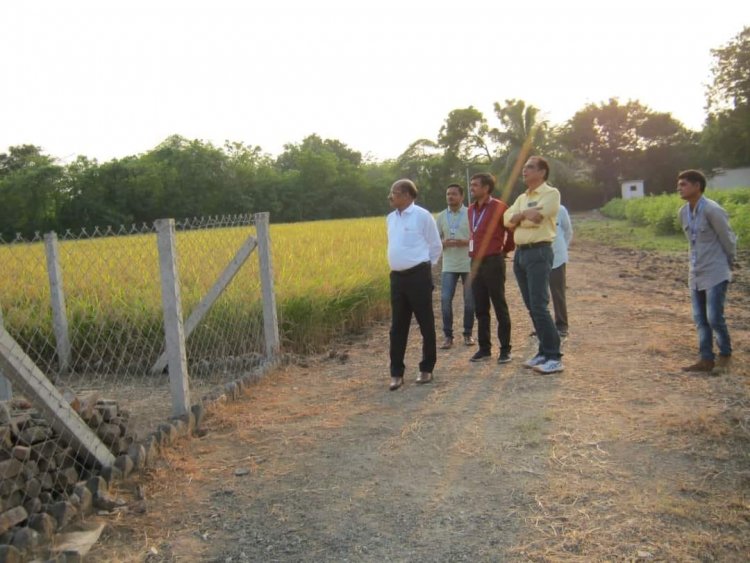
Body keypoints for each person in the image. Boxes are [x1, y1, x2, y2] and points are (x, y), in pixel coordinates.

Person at [504, 156, 564, 374]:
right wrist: (522, 215)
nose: (524, 170)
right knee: (532, 306)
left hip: (539, 251)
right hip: (520, 254)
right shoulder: (522, 198)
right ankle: (543, 351)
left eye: (530, 167)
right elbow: (506, 221)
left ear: (542, 172)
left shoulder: (551, 193)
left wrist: (520, 219)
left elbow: (538, 217)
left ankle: (554, 356)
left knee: (539, 305)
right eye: (524, 167)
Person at [677, 169, 736, 373]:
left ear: (697, 186)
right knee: (700, 319)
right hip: (696, 271)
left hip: (715, 271)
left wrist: (730, 261)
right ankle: (706, 359)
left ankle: (725, 354)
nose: (680, 188)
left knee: (714, 317)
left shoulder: (712, 210)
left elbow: (727, 238)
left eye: (684, 184)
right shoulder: (683, 212)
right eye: (679, 184)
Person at [386, 179, 443, 390]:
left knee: (425, 323)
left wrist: (426, 267)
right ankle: (396, 373)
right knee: (397, 327)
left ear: (408, 195)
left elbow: (435, 246)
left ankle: (426, 368)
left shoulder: (422, 216)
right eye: (391, 192)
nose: (390, 196)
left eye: (395, 192)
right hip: (397, 278)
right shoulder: (390, 218)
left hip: (418, 276)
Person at [467, 173, 515, 364]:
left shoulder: (500, 207)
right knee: (480, 307)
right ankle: (484, 348)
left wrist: (505, 250)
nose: (472, 188)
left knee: (499, 305)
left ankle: (505, 349)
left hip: (493, 261)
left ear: (486, 188)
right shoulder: (470, 210)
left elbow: (511, 232)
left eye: (475, 185)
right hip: (475, 263)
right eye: (471, 185)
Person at [435, 184, 476, 349]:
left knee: (469, 301)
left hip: (468, 263)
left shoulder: (470, 214)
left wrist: (464, 242)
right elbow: (434, 240)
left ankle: (468, 334)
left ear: (461, 197)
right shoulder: (441, 217)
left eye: (453, 194)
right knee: (445, 300)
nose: (450, 197)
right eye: (448, 194)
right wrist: (442, 243)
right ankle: (448, 336)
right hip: (449, 265)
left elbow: (478, 238)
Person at [550, 204, 573, 337]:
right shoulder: (532, 207)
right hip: (538, 258)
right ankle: (543, 325)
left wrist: (562, 247)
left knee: (558, 292)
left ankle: (562, 325)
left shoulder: (560, 209)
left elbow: (568, 231)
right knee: (539, 295)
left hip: (557, 256)